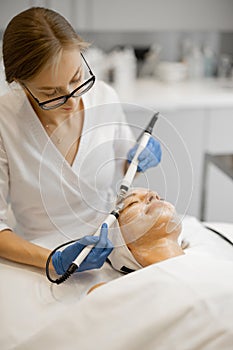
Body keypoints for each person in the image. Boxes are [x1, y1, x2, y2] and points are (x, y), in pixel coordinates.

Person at [0, 7, 161, 277]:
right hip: (39, 258)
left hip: (111, 245)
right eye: (51, 93)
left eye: (77, 78)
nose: (73, 101)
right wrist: (53, 260)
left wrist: (137, 158)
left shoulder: (104, 96)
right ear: (20, 83)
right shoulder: (5, 122)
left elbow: (124, 166)